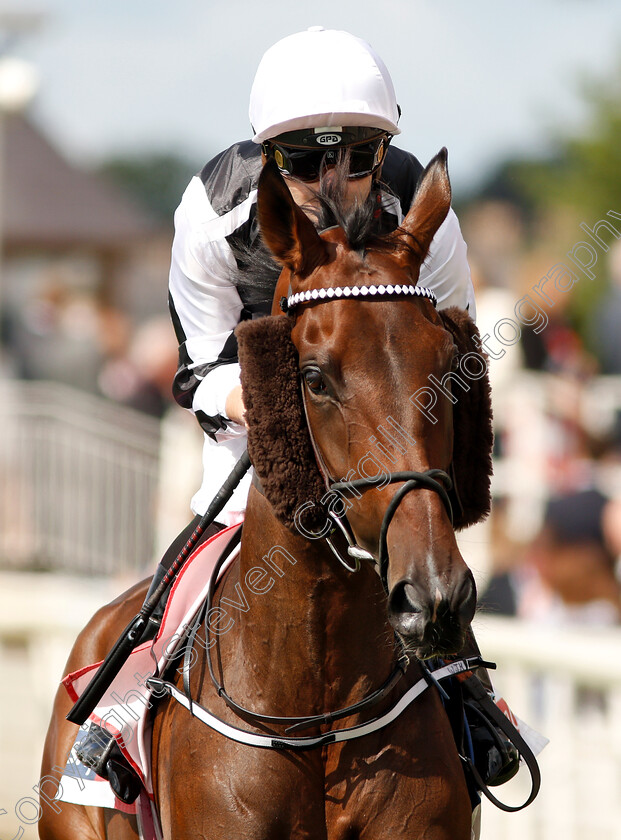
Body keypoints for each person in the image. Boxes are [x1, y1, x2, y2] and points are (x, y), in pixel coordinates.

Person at [79, 26, 516, 801]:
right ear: (266, 156)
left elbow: (455, 350)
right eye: (304, 160)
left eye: (357, 153)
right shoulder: (210, 209)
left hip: (378, 441)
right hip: (255, 438)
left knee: (426, 566)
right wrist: (261, 400)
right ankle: (121, 711)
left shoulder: (425, 208)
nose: (332, 180)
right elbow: (194, 369)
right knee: (198, 566)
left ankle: (471, 697)